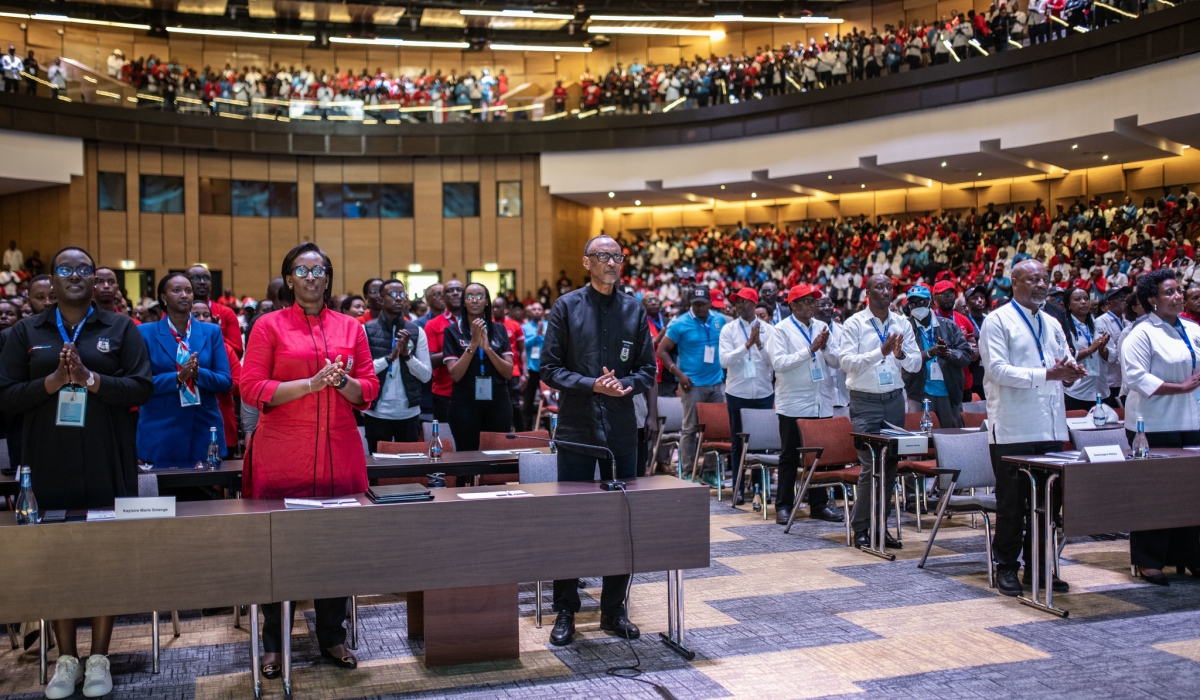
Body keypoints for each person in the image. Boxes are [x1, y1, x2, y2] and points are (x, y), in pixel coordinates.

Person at [0, 246, 153, 699]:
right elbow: (5, 395)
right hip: (47, 459)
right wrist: (52, 383)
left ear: (94, 279)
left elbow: (142, 385)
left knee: (105, 553)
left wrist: (90, 379)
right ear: (50, 279)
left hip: (108, 455)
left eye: (83, 270)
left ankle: (100, 657)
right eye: (64, 269)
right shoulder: (25, 331)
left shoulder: (121, 327)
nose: (74, 276)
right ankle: (66, 659)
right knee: (58, 557)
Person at [240, 242, 379, 678]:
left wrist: (341, 384)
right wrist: (310, 384)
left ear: (328, 278)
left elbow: (368, 391)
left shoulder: (351, 327)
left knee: (333, 552)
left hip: (338, 452)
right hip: (283, 454)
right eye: (301, 270)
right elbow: (251, 388)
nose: (311, 277)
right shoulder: (268, 326)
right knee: (276, 555)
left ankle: (332, 638)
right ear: (288, 279)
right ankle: (273, 643)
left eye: (319, 270)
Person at [540, 234, 656, 647]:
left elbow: (647, 370)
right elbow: (549, 368)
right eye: (603, 257)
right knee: (571, 521)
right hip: (576, 428)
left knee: (620, 522)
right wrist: (593, 385)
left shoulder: (633, 308)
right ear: (587, 262)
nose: (612, 263)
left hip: (622, 430)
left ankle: (613, 609)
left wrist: (620, 385)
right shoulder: (567, 307)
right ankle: (566, 609)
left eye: (617, 257)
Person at [980, 259, 1087, 596]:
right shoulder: (997, 321)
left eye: (1045, 279)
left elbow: (1063, 359)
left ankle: (1040, 567)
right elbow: (997, 370)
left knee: (1049, 505)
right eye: (1033, 279)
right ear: (1015, 283)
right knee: (1013, 506)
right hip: (1014, 428)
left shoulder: (1053, 322)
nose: (1042, 284)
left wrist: (1070, 371)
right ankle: (1007, 567)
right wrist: (1047, 375)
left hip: (1051, 426)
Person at [1120, 268, 1200, 584]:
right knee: (1153, 494)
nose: (1178, 296)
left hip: (1191, 421)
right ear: (1152, 300)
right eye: (1169, 292)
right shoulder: (1140, 333)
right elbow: (1136, 377)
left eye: (1179, 290)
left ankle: (1190, 556)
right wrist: (1179, 387)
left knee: (1190, 493)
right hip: (1151, 425)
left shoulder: (1193, 330)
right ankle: (1149, 560)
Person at [838, 274, 922, 550]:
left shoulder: (902, 322)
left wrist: (899, 356)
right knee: (870, 465)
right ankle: (860, 527)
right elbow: (847, 363)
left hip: (894, 400)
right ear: (868, 292)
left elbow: (916, 363)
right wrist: (880, 351)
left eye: (889, 287)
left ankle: (880, 526)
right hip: (864, 401)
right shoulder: (854, 323)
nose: (886, 291)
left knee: (889, 468)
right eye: (880, 287)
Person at [765, 284, 845, 524]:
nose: (814, 306)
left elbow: (833, 362)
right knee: (789, 456)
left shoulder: (822, 326)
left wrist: (828, 347)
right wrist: (811, 349)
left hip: (821, 401)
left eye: (814, 301)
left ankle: (818, 504)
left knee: (819, 457)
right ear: (793, 305)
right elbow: (779, 363)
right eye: (808, 301)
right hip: (793, 403)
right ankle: (784, 506)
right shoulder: (780, 330)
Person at [136, 272, 232, 466]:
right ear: (163, 297)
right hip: (161, 428)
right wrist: (178, 377)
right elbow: (141, 383)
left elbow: (225, 381)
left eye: (188, 291)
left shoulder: (211, 332)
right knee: (166, 492)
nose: (185, 295)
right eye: (177, 290)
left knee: (205, 493)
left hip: (203, 427)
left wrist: (198, 373)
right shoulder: (145, 332)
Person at [656, 286, 726, 483]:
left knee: (715, 430)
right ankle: (688, 472)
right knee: (690, 429)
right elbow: (662, 351)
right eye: (695, 304)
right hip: (691, 384)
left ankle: (711, 472)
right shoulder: (680, 324)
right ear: (690, 305)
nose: (699, 307)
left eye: (703, 304)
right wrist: (679, 374)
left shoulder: (720, 320)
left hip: (716, 383)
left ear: (710, 303)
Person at [718, 287, 775, 506]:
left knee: (761, 445)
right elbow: (724, 360)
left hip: (762, 392)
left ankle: (760, 489)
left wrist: (758, 343)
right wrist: (747, 345)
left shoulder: (769, 330)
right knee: (737, 443)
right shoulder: (728, 330)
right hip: (738, 392)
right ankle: (739, 488)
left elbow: (773, 362)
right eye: (737, 302)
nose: (739, 305)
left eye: (744, 302)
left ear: (753, 304)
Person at [442, 283, 513, 450]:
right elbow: (455, 374)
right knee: (466, 455)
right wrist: (473, 344)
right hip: (464, 401)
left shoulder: (499, 329)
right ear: (464, 302)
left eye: (480, 296)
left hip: (498, 399)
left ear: (487, 301)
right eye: (470, 297)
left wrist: (487, 349)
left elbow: (508, 372)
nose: (475, 300)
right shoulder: (452, 331)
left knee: (497, 456)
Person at [363, 279, 430, 449]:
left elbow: (426, 375)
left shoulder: (416, 331)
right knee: (378, 467)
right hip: (377, 412)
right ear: (381, 299)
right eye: (393, 294)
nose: (399, 298)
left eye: (402, 294)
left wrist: (407, 356)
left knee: (407, 469)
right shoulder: (366, 330)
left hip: (408, 413)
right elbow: (362, 372)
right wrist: (388, 359)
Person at [903, 285, 971, 428]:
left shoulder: (948, 326)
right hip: (919, 393)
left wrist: (948, 354)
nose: (917, 306)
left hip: (949, 392)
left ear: (930, 302)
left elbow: (966, 355)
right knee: (923, 442)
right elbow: (905, 360)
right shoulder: (906, 329)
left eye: (921, 302)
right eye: (913, 303)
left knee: (952, 439)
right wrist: (929, 353)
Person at [192, 300, 242, 458]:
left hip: (223, 422)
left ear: (213, 320)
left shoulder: (226, 349)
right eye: (195, 315)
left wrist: (209, 380)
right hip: (189, 424)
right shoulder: (180, 346)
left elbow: (238, 383)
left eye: (206, 315)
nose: (201, 318)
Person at [1061, 286, 1111, 411]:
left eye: (1086, 299)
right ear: (1068, 305)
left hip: (1102, 389)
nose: (1083, 302)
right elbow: (1064, 357)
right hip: (1076, 392)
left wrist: (1102, 349)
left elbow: (1113, 356)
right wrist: (1090, 350)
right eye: (1077, 299)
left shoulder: (1099, 324)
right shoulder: (1063, 326)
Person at [425, 279, 463, 422]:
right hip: (445, 393)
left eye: (459, 290)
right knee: (446, 439)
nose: (454, 293)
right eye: (449, 291)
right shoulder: (433, 324)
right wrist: (458, 350)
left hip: (475, 392)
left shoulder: (478, 321)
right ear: (443, 297)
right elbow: (430, 360)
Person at [187, 265, 243, 358]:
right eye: (196, 278)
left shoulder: (226, 312)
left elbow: (237, 353)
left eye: (206, 278)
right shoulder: (174, 312)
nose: (202, 282)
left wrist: (216, 333)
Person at [492, 295, 526, 430]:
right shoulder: (488, 324)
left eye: (498, 307)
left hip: (514, 370)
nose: (495, 309)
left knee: (515, 405)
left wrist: (525, 373)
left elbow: (522, 351)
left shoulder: (515, 325)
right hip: (494, 370)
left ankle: (521, 434)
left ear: (505, 309)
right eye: (493, 307)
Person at [1094, 286, 1130, 406]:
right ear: (1109, 303)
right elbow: (1109, 353)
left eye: (1125, 298)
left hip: (1126, 379)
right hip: (1111, 379)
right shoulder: (1101, 321)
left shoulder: (1128, 320)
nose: (1124, 301)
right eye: (1120, 298)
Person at [521, 301, 546, 430]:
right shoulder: (524, 327)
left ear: (542, 311)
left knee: (547, 400)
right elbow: (523, 345)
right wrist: (537, 335)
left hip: (545, 369)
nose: (536, 311)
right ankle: (527, 431)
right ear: (530, 312)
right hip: (531, 368)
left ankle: (548, 432)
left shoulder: (549, 325)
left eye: (539, 309)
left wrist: (543, 334)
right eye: (534, 309)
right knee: (528, 402)